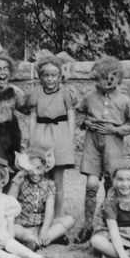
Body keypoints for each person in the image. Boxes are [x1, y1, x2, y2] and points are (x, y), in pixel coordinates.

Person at [75, 56, 130, 243]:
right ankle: (88, 225)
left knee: (112, 184)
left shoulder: (124, 100)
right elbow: (79, 113)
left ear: (119, 78)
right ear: (96, 78)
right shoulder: (89, 98)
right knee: (91, 184)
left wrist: (116, 129)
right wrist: (86, 122)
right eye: (104, 76)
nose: (109, 80)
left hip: (113, 144)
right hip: (92, 143)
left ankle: (110, 223)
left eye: (113, 76)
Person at [26, 53, 76, 218]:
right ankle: (40, 214)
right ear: (40, 77)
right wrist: (31, 138)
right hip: (41, 134)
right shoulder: (36, 93)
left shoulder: (65, 93)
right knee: (41, 176)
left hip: (60, 135)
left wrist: (70, 137)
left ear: (60, 76)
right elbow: (33, 116)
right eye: (46, 75)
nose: (50, 79)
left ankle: (58, 215)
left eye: (54, 75)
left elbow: (71, 114)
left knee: (58, 180)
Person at [8, 148, 75, 250]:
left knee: (69, 220)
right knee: (13, 228)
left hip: (41, 225)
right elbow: (9, 202)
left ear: (45, 167)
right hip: (23, 225)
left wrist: (44, 229)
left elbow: (49, 210)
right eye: (31, 169)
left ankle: (37, 240)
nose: (35, 173)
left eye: (39, 168)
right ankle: (38, 240)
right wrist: (15, 183)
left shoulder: (49, 184)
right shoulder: (22, 181)